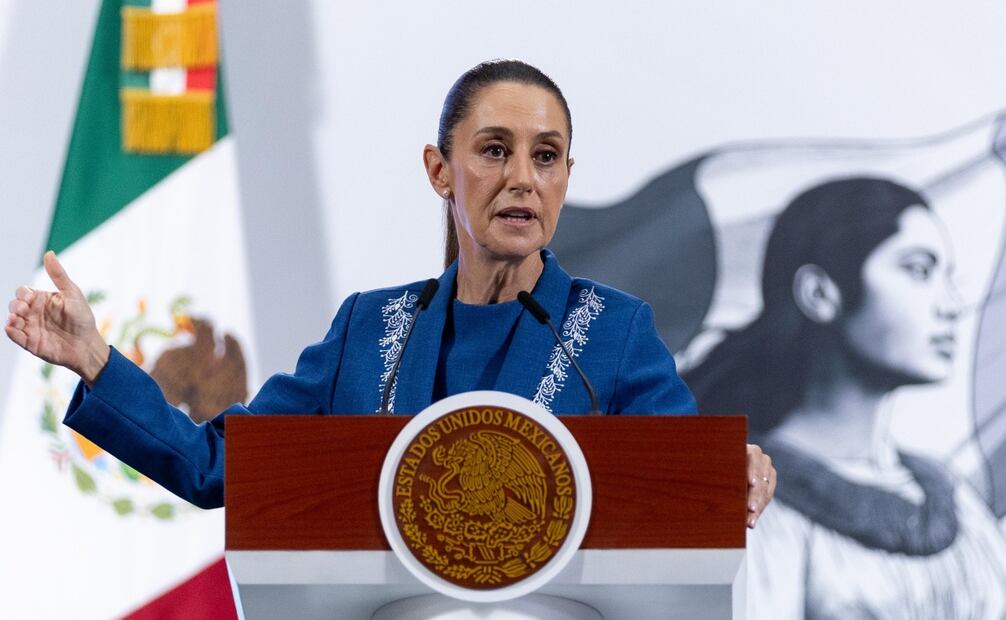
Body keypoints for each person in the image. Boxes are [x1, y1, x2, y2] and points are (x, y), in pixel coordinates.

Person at [5, 59, 775, 520]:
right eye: (494, 150)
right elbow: (217, 468)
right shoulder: (368, 330)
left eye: (546, 156)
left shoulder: (613, 334)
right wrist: (97, 362)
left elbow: (684, 490)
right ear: (440, 170)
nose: (522, 178)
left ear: (567, 178)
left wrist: (730, 474)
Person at [684, 177, 1006, 618]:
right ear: (820, 293)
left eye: (947, 277)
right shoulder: (752, 499)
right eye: (918, 270)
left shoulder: (953, 498)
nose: (951, 305)